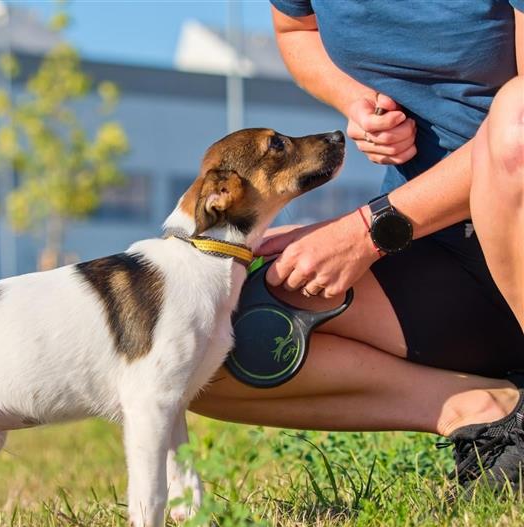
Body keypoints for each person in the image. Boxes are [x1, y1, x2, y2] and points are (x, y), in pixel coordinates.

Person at [190, 1, 524, 489]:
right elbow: (294, 30)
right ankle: (492, 413)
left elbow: (513, 140)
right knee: (202, 345)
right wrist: (359, 102)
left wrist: (368, 230)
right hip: (439, 238)